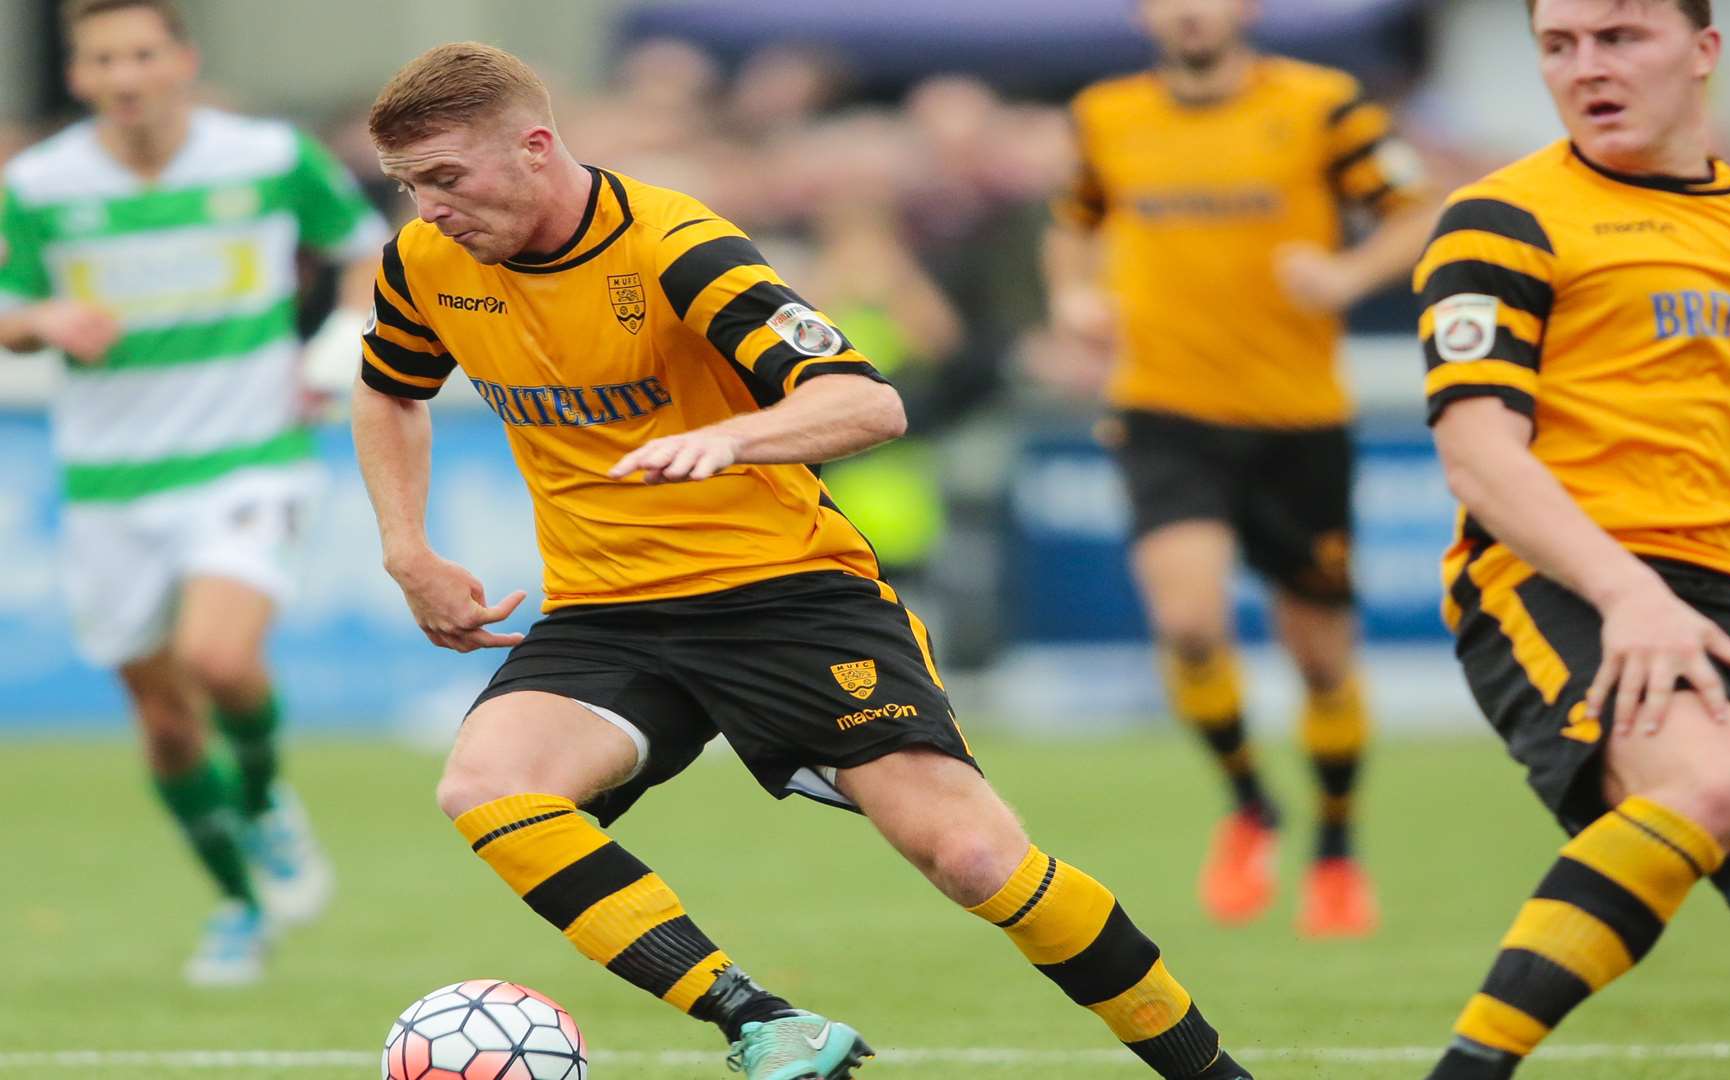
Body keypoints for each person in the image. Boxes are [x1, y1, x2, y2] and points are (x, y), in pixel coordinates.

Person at [351, 42, 1254, 1080]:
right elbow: (387, 387)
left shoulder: (677, 247)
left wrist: (732, 437)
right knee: (487, 785)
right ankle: (757, 1019)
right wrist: (405, 546)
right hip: (611, 608)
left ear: (537, 149)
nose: (429, 210)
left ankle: (1211, 1074)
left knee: (973, 860)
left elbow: (869, 402)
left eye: (447, 179)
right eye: (410, 185)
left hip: (786, 595)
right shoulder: (426, 264)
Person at [1413, 1, 1730, 1076]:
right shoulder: (1500, 217)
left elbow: (1728, 408)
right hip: (1562, 579)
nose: (1586, 67)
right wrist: (1628, 593)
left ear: (1704, 52)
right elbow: (1480, 455)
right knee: (1709, 782)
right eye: (1560, 46)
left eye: (1620, 38)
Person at [0, 0, 381, 985]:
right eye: (102, 59)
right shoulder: (41, 183)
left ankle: (263, 803)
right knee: (165, 721)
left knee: (220, 657)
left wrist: (337, 349)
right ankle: (238, 904)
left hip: (244, 454)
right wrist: (47, 320)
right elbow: (9, 311)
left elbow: (363, 251)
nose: (125, 75)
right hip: (110, 481)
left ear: (180, 61)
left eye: (141, 54)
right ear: (79, 77)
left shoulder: (263, 155)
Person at [1043, 0, 1437, 933]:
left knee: (1322, 662)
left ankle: (1337, 846)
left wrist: (1345, 277)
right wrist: (1072, 297)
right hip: (1164, 408)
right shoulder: (1107, 114)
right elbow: (1071, 221)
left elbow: (1418, 211)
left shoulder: (1322, 106)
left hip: (1299, 420)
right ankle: (1251, 808)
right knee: (1187, 622)